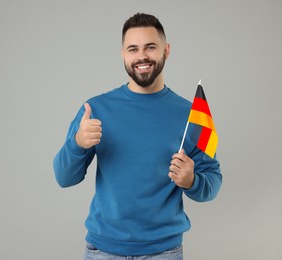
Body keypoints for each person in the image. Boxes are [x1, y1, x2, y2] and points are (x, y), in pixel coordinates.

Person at [53, 13, 222, 260]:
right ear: (123, 54)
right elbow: (63, 177)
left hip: (164, 252)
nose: (142, 56)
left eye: (150, 47)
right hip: (103, 251)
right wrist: (77, 144)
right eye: (133, 49)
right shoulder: (95, 109)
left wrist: (191, 180)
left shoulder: (193, 115)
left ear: (166, 50)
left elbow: (213, 181)